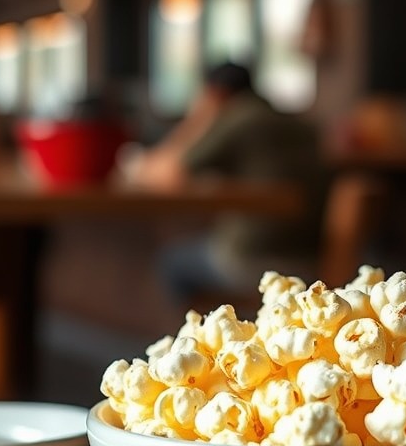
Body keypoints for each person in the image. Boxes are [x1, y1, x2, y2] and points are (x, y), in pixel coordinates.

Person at [130, 60, 326, 303]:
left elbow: (171, 174)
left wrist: (197, 118)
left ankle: (204, 338)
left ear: (215, 94)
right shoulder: (295, 123)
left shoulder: (239, 116)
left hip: (255, 258)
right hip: (313, 255)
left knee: (171, 262)